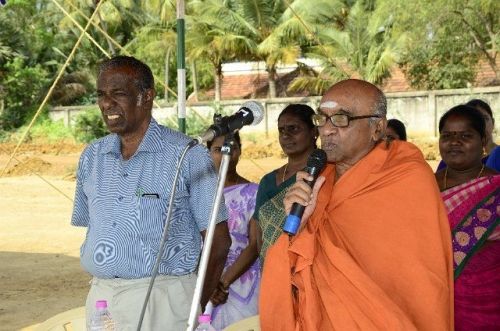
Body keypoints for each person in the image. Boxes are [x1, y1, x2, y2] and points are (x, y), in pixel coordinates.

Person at [260, 79, 453, 330]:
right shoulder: (318, 182)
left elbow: (419, 280)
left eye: (341, 119)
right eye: (322, 118)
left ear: (378, 128)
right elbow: (295, 265)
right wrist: (297, 224)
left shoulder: (408, 177)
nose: (326, 130)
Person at [71, 56, 231, 330]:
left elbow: (219, 242)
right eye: (101, 95)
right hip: (102, 300)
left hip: (165, 301)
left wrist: (195, 306)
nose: (106, 103)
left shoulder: (187, 154)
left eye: (118, 93)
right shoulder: (92, 156)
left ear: (146, 97)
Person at [435, 105, 499, 330]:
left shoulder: (496, 187)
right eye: (447, 136)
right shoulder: (424, 185)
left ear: (483, 141)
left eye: (465, 136)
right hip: (436, 295)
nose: (454, 142)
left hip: (490, 296)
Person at [206, 132, 261, 330]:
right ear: (208, 152)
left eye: (231, 148)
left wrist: (222, 283)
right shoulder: (197, 194)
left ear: (239, 151)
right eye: (218, 150)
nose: (225, 154)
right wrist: (208, 284)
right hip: (204, 279)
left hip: (239, 280)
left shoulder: (254, 192)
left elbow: (255, 245)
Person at [252, 104, 317, 264]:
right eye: (281, 130)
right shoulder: (268, 181)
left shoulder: (321, 175)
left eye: (293, 129)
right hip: (271, 268)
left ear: (314, 132)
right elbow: (259, 235)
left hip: (306, 264)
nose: (286, 135)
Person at [436, 99, 497, 171]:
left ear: (493, 123)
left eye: (485, 118)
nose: (480, 123)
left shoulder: (497, 157)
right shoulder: (447, 163)